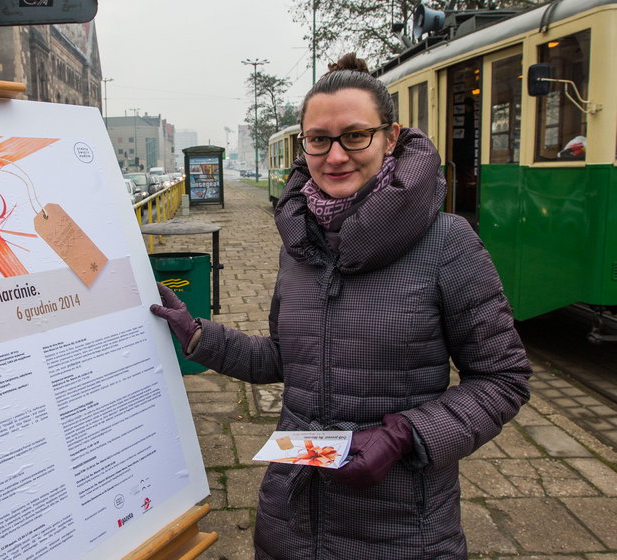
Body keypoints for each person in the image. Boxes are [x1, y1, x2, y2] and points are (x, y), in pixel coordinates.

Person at [150, 53, 531, 559]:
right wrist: (199, 336)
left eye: (355, 136)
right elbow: (288, 359)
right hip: (291, 519)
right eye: (318, 140)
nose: (335, 156)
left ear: (390, 138)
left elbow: (503, 380)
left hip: (401, 529)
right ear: (303, 145)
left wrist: (404, 436)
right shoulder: (299, 245)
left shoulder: (447, 243)